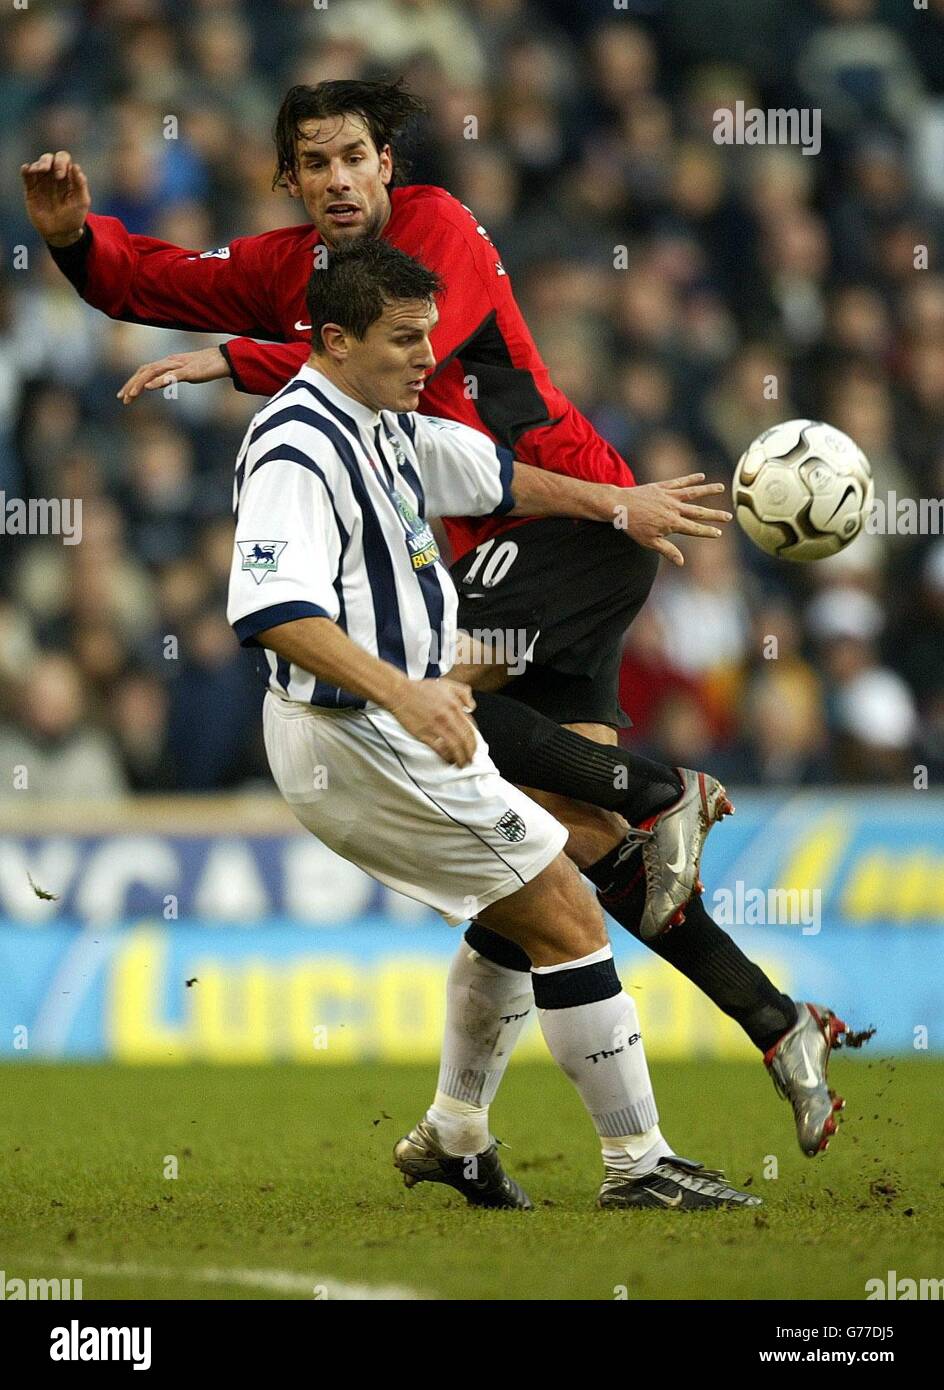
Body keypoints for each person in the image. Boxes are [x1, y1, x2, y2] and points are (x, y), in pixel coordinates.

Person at [22, 79, 854, 1160]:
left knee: (419, 695)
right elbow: (155, 281)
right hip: (502, 540)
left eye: (353, 158)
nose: (334, 180)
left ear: (386, 165)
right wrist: (76, 239)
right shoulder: (283, 269)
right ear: (289, 180)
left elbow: (371, 357)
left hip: (564, 513)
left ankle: (660, 791)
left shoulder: (436, 232)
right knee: (570, 858)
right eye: (312, 164)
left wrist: (235, 360)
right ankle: (771, 1023)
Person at [227, 235, 761, 1210]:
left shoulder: (384, 422)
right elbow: (269, 609)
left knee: (514, 914)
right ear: (335, 340)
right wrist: (405, 690)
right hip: (353, 734)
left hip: (389, 726)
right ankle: (636, 1166)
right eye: (403, 340)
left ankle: (454, 1134)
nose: (428, 358)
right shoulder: (298, 446)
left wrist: (617, 504)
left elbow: (497, 479)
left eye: (431, 335)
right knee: (559, 901)